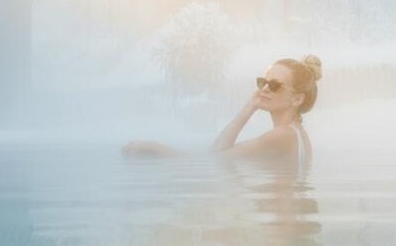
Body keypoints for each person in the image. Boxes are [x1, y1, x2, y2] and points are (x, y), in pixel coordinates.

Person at [122, 55, 322, 167]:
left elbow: (213, 162)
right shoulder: (292, 134)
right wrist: (249, 107)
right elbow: (219, 153)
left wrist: (155, 148)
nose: (265, 89)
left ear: (297, 98)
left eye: (275, 85)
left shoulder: (283, 136)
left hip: (284, 235)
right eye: (263, 82)